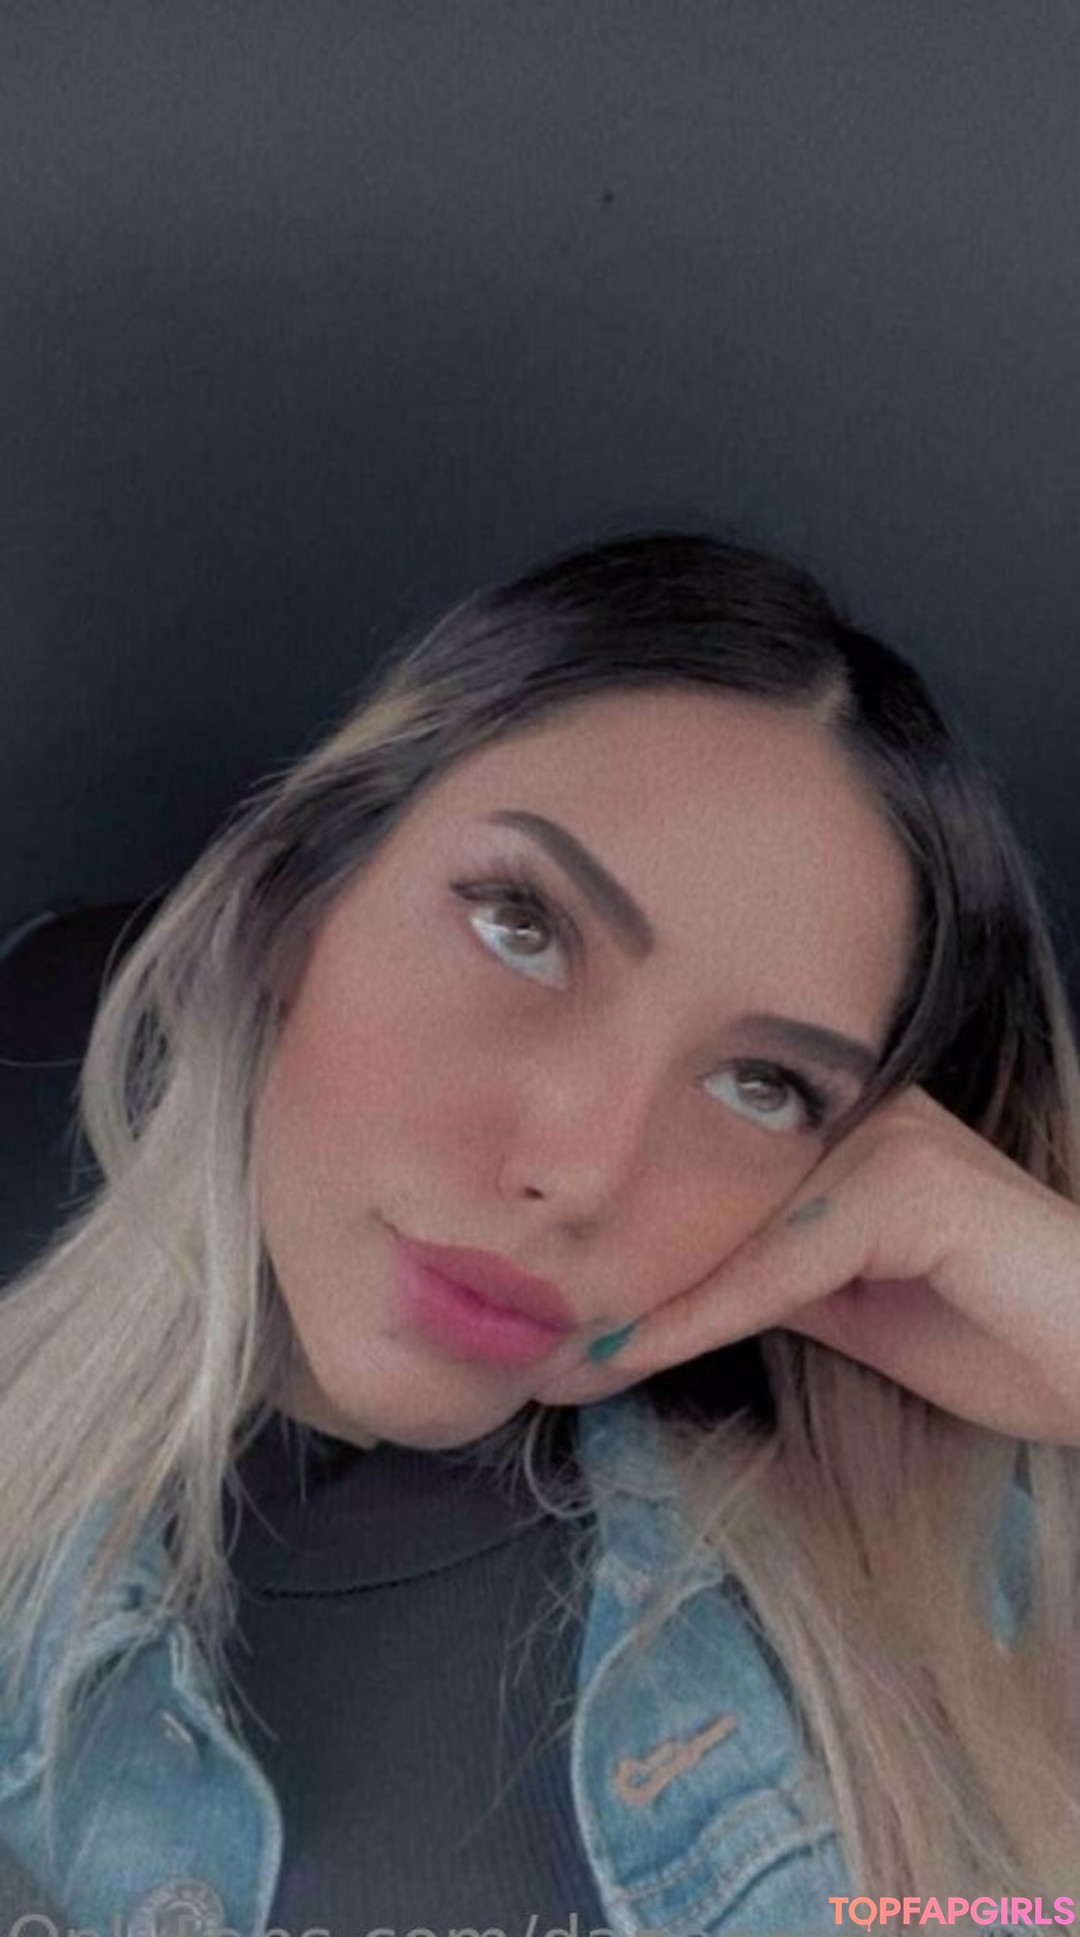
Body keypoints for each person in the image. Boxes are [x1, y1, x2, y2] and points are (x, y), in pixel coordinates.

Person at [0, 529, 1078, 1935]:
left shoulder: (941, 1585)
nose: (580, 1169)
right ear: (298, 900)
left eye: (763, 1085)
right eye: (522, 925)